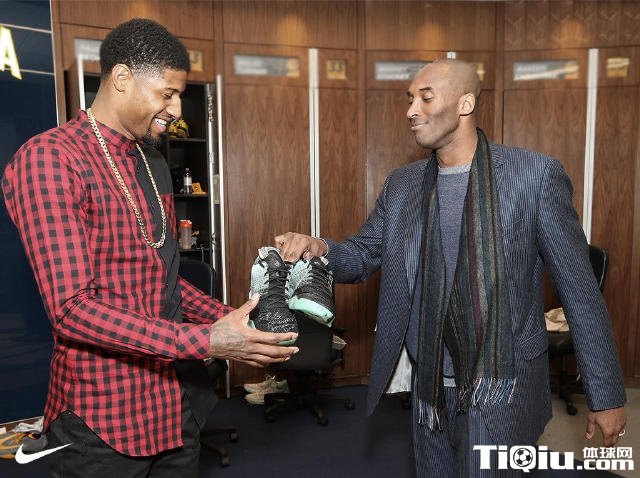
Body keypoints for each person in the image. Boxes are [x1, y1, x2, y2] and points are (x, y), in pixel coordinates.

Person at [275, 59, 626, 476]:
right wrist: (319, 248)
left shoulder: (534, 176)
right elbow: (363, 254)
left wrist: (606, 394)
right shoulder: (402, 185)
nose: (411, 110)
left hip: (501, 386)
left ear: (465, 104)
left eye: (426, 98)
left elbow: (580, 292)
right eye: (410, 99)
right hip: (429, 390)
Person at [2, 18, 297, 477]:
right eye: (167, 94)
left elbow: (161, 277)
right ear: (122, 78)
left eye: (179, 95)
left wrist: (239, 319)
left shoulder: (153, 159)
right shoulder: (50, 159)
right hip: (102, 419)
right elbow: (72, 310)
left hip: (176, 406)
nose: (176, 109)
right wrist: (207, 340)